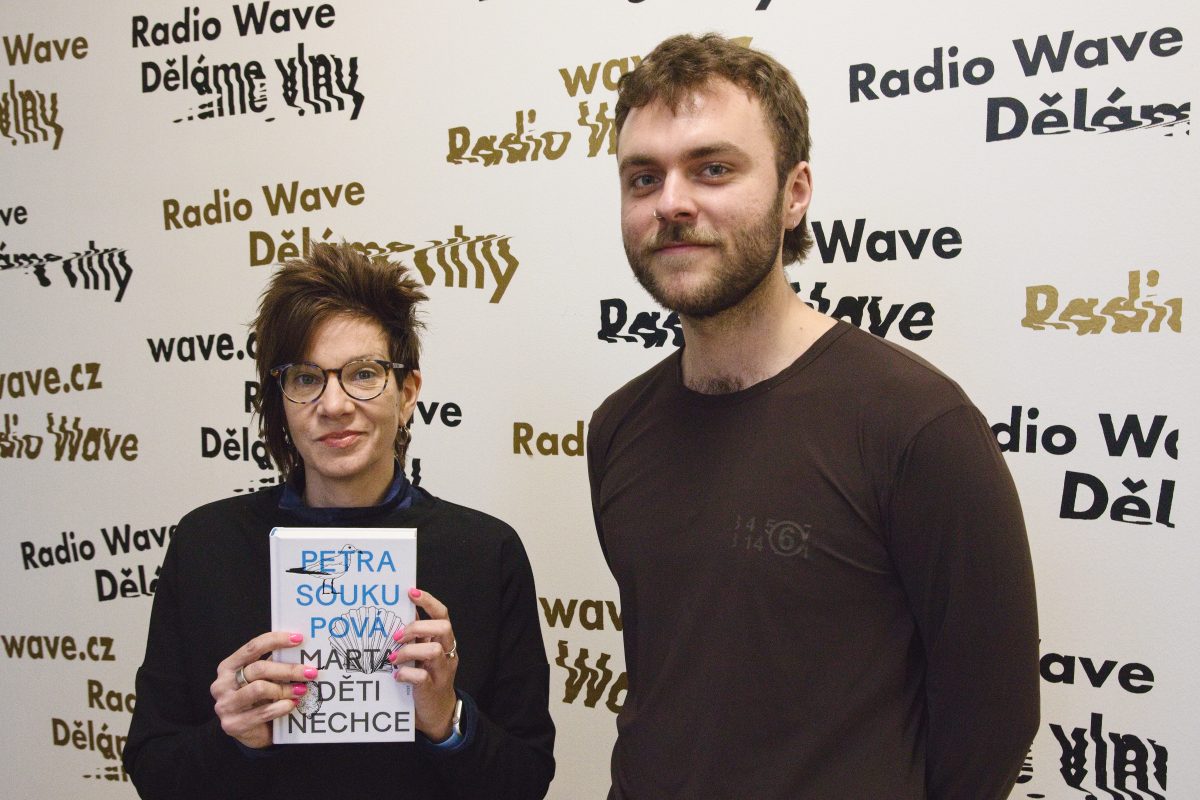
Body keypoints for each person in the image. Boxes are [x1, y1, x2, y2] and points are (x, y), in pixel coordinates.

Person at [587, 33, 1039, 799]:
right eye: (643, 178)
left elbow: (992, 722)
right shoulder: (618, 428)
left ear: (795, 192)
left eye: (713, 168)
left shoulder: (917, 425)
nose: (671, 203)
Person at [125, 243, 555, 799]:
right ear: (279, 399)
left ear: (407, 393)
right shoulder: (206, 545)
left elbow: (526, 781)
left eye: (364, 374)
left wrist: (448, 720)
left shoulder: (485, 550)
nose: (334, 405)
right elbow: (153, 770)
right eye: (306, 379)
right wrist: (234, 737)